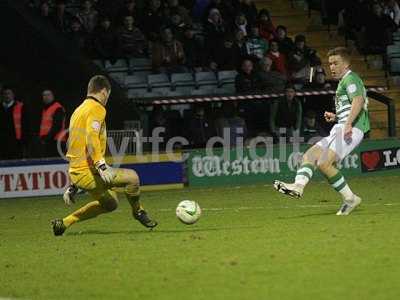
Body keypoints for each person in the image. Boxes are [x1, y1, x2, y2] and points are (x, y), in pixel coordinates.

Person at [52, 75, 157, 236]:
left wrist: (74, 184)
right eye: (108, 94)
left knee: (111, 204)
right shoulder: (97, 108)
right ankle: (138, 212)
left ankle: (65, 222)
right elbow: (91, 137)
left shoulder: (78, 111)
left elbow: (72, 145)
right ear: (104, 91)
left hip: (79, 172)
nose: (107, 98)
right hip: (90, 171)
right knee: (132, 178)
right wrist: (100, 165)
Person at [274, 47, 370, 216]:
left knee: (324, 162)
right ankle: (298, 186)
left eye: (335, 63)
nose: (331, 67)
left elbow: (358, 100)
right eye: (330, 63)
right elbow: (351, 105)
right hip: (342, 126)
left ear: (346, 64)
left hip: (353, 129)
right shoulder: (344, 82)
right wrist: (337, 116)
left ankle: (350, 198)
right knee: (310, 155)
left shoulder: (351, 78)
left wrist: (347, 124)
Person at [0, 88, 29, 160]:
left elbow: (25, 124)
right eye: (5, 94)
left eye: (9, 93)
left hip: (16, 140)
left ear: (13, 95)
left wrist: (24, 139)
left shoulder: (20, 106)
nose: (7, 96)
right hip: (2, 141)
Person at [38, 90, 67, 158]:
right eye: (44, 95)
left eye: (48, 95)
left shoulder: (57, 108)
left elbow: (57, 126)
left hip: (56, 141)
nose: (46, 97)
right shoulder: (45, 109)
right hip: (49, 141)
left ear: (53, 96)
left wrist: (47, 138)